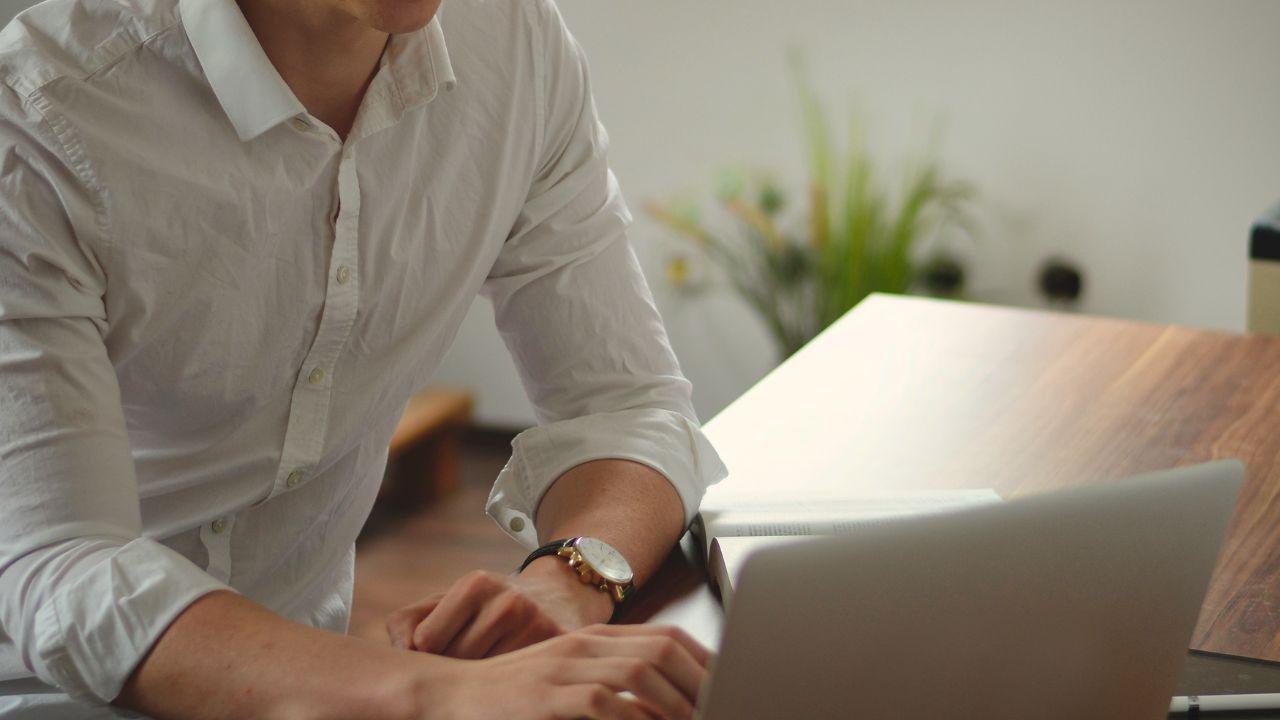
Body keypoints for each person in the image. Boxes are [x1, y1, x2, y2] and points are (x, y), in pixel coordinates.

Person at [0, 0, 727, 715]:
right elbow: (59, 566)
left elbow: (623, 405)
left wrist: (566, 582)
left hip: (319, 683)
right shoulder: (37, 117)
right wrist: (433, 694)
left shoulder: (515, 46)